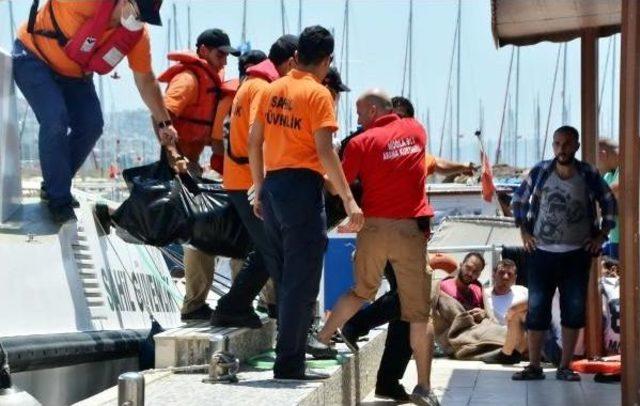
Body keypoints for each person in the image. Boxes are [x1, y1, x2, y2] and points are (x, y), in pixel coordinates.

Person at [248, 25, 363, 381]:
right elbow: (326, 152)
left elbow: (253, 142)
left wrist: (259, 187)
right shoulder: (318, 95)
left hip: (273, 186)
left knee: (286, 278)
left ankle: (289, 357)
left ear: (296, 56)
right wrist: (349, 199)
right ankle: (290, 365)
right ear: (327, 60)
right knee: (302, 280)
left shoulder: (271, 89)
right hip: (301, 189)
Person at [313, 89, 437, 405]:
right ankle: (423, 388)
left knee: (361, 291)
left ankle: (323, 338)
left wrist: (327, 170)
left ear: (371, 110)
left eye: (358, 112)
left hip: (372, 227)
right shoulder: (416, 129)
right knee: (419, 314)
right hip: (409, 230)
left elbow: (335, 182)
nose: (355, 119)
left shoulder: (360, 143)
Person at [13, 0, 173, 223]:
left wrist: (165, 122)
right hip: (34, 56)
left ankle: (54, 185)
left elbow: (146, 80)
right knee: (55, 117)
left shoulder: (138, 35)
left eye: (145, 17)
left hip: (75, 76)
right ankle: (59, 199)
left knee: (92, 125)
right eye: (138, 12)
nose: (139, 20)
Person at [511, 125, 617, 382]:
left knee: (574, 310)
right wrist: (524, 231)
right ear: (553, 147)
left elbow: (609, 203)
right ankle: (534, 366)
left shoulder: (588, 173)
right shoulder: (540, 171)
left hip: (576, 254)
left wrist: (601, 236)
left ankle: (565, 366)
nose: (562, 149)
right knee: (537, 310)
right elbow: (518, 199)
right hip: (541, 253)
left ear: (576, 146)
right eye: (557, 144)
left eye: (567, 144)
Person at [211, 34, 298, 328]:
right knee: (279, 253)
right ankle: (294, 325)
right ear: (290, 61)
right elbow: (256, 138)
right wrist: (263, 185)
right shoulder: (264, 88)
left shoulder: (250, 83)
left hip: (240, 181)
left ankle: (233, 306)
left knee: (267, 249)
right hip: (250, 183)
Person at [157, 28, 240, 321]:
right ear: (203, 50)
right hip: (178, 166)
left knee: (200, 233)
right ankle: (194, 304)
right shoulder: (189, 79)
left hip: (190, 166)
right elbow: (162, 113)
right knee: (198, 233)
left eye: (227, 57)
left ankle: (196, 303)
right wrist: (173, 155)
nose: (223, 63)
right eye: (220, 55)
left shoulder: (206, 80)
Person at [481, 259, 529, 365]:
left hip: (525, 333)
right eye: (501, 273)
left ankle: (509, 354)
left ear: (515, 278)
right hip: (501, 336)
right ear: (494, 275)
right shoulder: (484, 295)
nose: (505, 277)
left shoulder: (522, 291)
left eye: (510, 274)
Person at [597, 138, 620, 260]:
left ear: (602, 155)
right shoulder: (609, 175)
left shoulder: (630, 170)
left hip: (628, 240)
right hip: (614, 239)